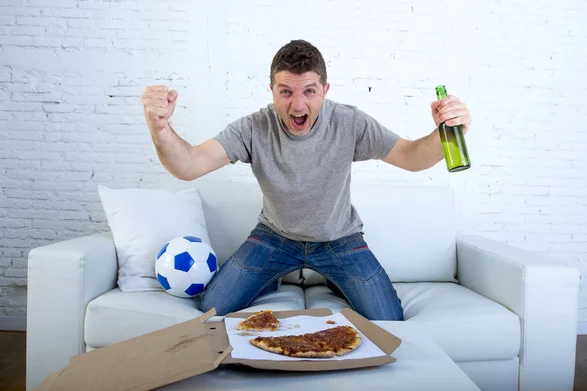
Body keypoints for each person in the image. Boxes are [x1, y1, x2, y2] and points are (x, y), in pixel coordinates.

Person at [140, 39, 472, 321]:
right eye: (285, 91)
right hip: (275, 238)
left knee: (390, 321)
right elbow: (189, 165)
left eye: (309, 91)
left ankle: (334, 278)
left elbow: (411, 156)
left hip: (339, 240)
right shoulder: (253, 128)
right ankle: (268, 278)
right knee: (213, 307)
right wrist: (160, 129)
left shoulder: (349, 122)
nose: (298, 105)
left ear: (325, 90)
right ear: (271, 90)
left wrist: (444, 133)